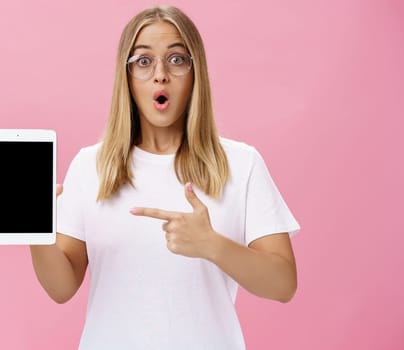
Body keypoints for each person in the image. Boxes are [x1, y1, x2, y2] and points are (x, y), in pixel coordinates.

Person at [29, 5, 300, 349]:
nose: (160, 75)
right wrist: (35, 230)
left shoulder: (241, 163)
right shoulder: (90, 166)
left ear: (194, 72)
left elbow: (283, 284)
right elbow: (61, 288)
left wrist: (212, 245)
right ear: (126, 78)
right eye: (143, 61)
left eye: (176, 60)